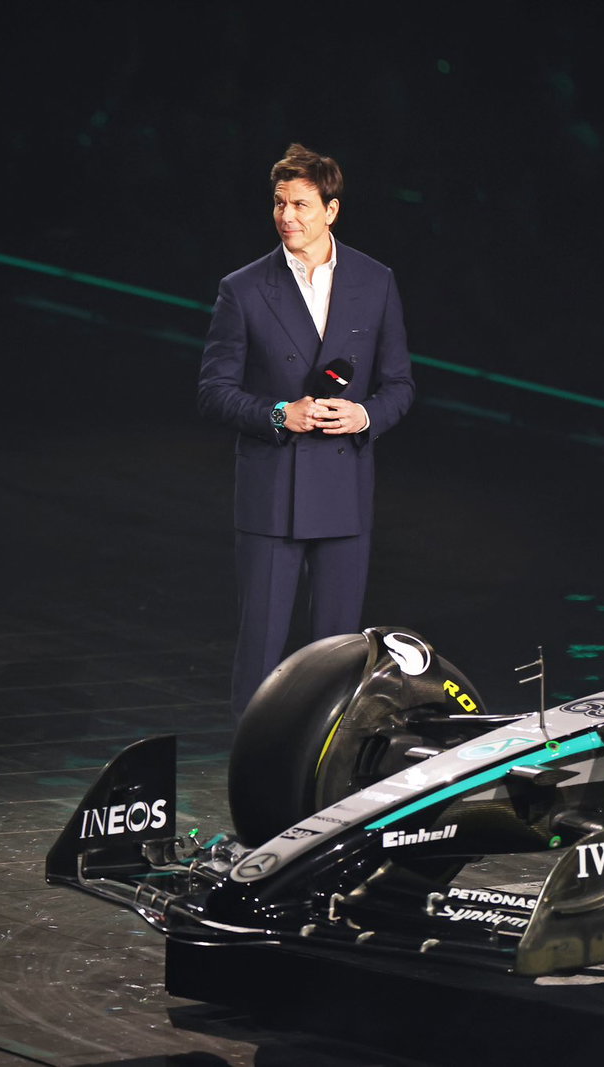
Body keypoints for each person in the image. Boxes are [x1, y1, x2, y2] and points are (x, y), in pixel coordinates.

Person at [198, 142, 414, 719]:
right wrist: (278, 413)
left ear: (331, 211)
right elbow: (213, 390)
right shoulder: (242, 289)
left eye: (299, 204)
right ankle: (250, 772)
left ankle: (326, 771)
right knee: (261, 651)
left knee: (341, 654)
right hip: (272, 496)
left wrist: (364, 415)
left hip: (344, 494)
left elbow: (399, 385)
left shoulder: (376, 281)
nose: (286, 216)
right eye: (278, 204)